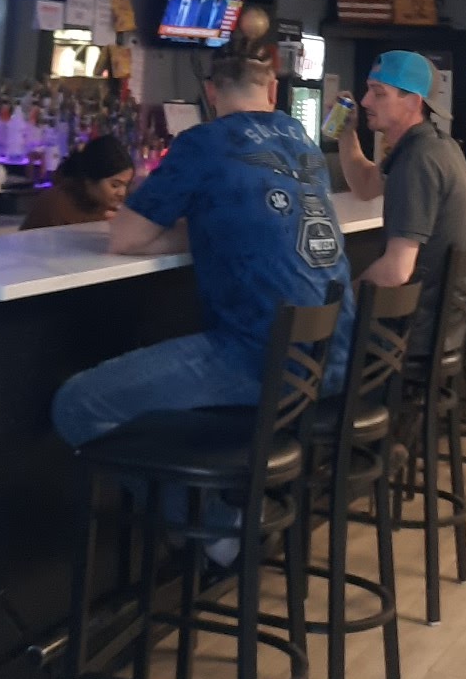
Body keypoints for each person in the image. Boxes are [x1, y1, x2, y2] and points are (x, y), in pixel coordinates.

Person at [53, 30, 355, 454]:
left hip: (258, 358)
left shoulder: (204, 142)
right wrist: (211, 228)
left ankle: (199, 499)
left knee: (77, 404)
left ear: (210, 92)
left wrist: (191, 229)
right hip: (336, 356)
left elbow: (125, 237)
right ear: (272, 90)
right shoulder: (301, 140)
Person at [336, 49, 466, 358]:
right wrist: (346, 133)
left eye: (378, 93)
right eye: (368, 90)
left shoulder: (418, 161)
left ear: (413, 102)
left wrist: (340, 300)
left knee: (302, 339)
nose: (365, 101)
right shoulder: (433, 144)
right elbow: (365, 185)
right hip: (443, 324)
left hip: (412, 331)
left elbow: (396, 271)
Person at [21, 135, 134, 230]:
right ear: (90, 180)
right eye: (115, 185)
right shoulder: (58, 205)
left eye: (126, 185)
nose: (122, 193)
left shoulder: (107, 206)